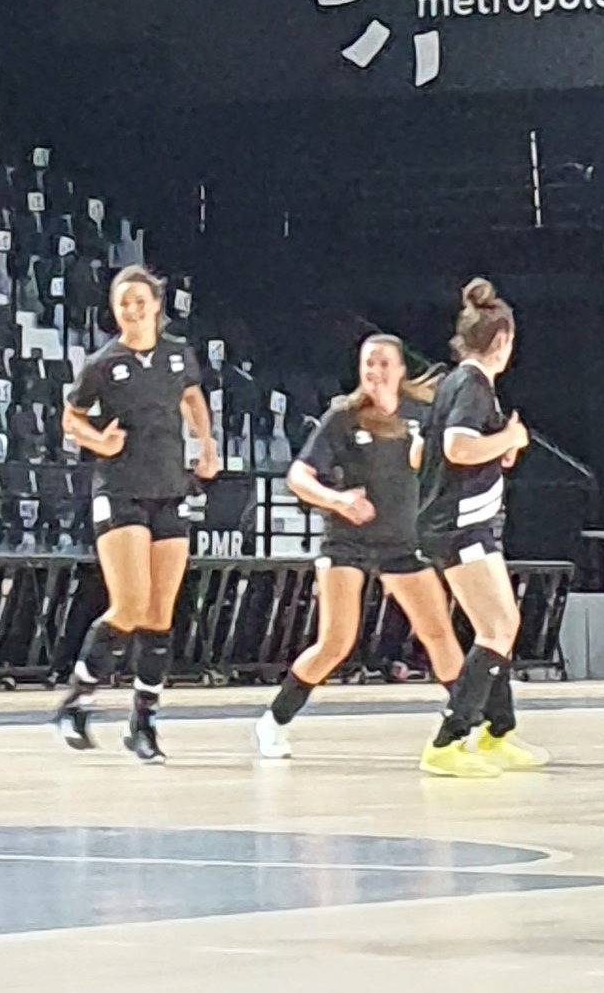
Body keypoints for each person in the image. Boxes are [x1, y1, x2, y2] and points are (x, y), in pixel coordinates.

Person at [254, 332, 465, 760]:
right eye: (369, 363)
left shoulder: (420, 414)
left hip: (404, 544)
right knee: (336, 642)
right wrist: (338, 501)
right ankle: (273, 721)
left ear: (401, 369)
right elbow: (299, 476)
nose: (376, 371)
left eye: (385, 363)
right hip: (347, 544)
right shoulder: (343, 416)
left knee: (439, 633)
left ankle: (470, 721)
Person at [54, 263, 219, 762]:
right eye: (122, 302)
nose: (131, 309)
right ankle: (77, 700)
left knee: (159, 613)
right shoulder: (103, 364)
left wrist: (206, 443)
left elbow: (192, 395)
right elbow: (70, 418)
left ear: (155, 305)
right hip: (121, 489)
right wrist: (96, 440)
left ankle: (143, 721)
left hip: (169, 487)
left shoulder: (176, 354)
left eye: (138, 301)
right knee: (128, 604)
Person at [412, 278, 547, 778]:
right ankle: (449, 741)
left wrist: (500, 452)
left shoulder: (454, 384)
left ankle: (498, 732)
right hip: (460, 526)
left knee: (502, 625)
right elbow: (456, 448)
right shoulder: (470, 385)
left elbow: (421, 454)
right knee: (497, 627)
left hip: (471, 522)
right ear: (502, 341)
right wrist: (509, 436)